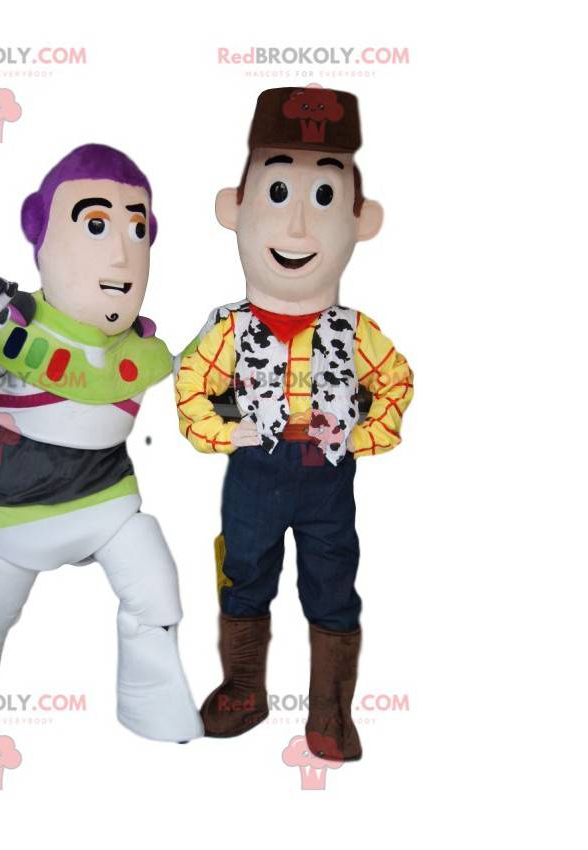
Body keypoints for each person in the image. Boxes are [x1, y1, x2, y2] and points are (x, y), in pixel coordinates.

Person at [0, 144, 203, 743]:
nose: (122, 253)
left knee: (155, 586)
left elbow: (190, 371)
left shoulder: (140, 347)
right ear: (41, 230)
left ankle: (155, 707)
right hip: (20, 513)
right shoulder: (14, 329)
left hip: (109, 503)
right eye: (96, 225)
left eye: (137, 230)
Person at [176, 87, 414, 759]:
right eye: (278, 193)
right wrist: (221, 432)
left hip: (326, 477)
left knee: (332, 583)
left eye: (326, 198)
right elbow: (191, 384)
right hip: (255, 469)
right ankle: (243, 690)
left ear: (363, 221)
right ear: (235, 208)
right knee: (244, 569)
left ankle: (330, 713)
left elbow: (396, 380)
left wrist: (364, 435)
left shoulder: (356, 331)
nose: (300, 228)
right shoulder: (229, 329)